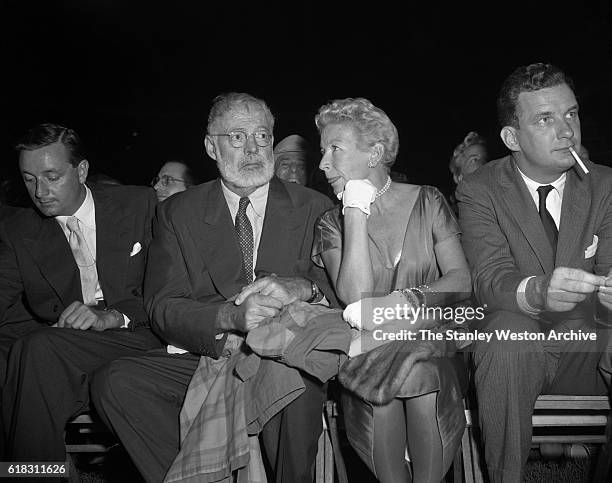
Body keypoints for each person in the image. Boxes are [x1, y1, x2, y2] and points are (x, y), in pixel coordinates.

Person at [90, 92, 337, 482]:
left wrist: (303, 286)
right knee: (114, 383)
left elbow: (341, 292)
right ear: (211, 146)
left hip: (284, 353)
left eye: (262, 136)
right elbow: (163, 305)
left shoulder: (313, 207)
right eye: (238, 137)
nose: (254, 149)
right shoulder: (178, 212)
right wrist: (229, 316)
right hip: (210, 352)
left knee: (296, 382)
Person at [456, 63, 612, 482]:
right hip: (525, 343)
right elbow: (490, 278)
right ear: (512, 138)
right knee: (504, 334)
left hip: (591, 347)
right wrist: (539, 292)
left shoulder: (605, 185)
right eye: (546, 119)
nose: (567, 131)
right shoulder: (480, 189)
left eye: (571, 114)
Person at [312, 98, 471, 482]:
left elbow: (461, 280)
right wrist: (354, 209)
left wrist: (406, 300)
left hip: (434, 336)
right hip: (372, 348)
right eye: (322, 152)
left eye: (335, 149)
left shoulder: (428, 200)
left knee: (418, 373)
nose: (322, 164)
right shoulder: (331, 223)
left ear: (375, 154)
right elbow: (355, 296)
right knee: (390, 378)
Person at [0, 123, 162, 461]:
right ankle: (43, 469)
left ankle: (32, 474)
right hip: (66, 342)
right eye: (29, 179)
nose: (40, 191)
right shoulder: (20, 229)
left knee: (39, 349)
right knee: (22, 351)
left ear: (82, 170)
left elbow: (168, 286)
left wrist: (112, 316)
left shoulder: (139, 205)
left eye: (51, 176)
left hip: (136, 332)